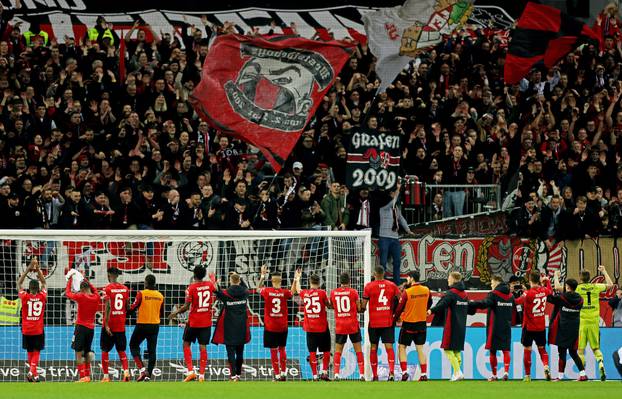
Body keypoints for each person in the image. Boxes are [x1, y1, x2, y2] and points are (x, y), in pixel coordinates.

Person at [168, 265, 217, 382]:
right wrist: (213, 279)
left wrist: (175, 313)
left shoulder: (191, 288)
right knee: (203, 347)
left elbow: (185, 307)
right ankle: (202, 375)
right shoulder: (209, 285)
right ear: (204, 274)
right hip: (206, 322)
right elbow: (216, 289)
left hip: (194, 322)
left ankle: (190, 371)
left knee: (186, 344)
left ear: (194, 274)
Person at [469, 275, 514, 381]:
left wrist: (472, 303)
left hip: (494, 327)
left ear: (497, 282)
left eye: (492, 282)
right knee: (505, 350)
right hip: (506, 326)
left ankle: (494, 375)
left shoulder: (493, 294)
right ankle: (506, 372)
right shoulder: (511, 296)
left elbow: (484, 304)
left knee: (493, 351)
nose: (491, 284)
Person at [428, 271, 469, 381]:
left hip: (451, 325)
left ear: (454, 280)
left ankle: (458, 372)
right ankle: (456, 373)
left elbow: (442, 304)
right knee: (457, 350)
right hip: (462, 325)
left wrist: (431, 311)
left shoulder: (451, 293)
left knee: (447, 349)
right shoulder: (465, 294)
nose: (448, 280)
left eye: (449, 278)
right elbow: (468, 308)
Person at [576, 265, 614, 381]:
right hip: (594, 321)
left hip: (582, 321)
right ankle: (601, 364)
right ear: (589, 278)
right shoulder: (596, 287)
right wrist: (604, 271)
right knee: (596, 348)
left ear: (580, 278)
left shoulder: (577, 288)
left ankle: (582, 374)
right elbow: (611, 285)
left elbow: (559, 289)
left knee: (581, 350)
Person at [291, 269, 331, 381]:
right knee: (326, 350)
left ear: (310, 282)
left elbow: (298, 290)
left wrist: (297, 278)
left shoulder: (305, 293)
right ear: (319, 283)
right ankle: (324, 373)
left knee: (312, 352)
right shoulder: (322, 293)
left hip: (310, 328)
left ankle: (314, 376)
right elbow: (328, 305)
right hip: (322, 327)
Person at [361, 266, 400, 381]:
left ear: (374, 274)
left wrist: (360, 307)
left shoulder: (369, 286)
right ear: (383, 274)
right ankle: (391, 373)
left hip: (374, 323)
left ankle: (375, 376)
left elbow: (363, 305)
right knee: (389, 347)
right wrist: (396, 314)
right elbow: (401, 299)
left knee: (373, 348)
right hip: (387, 322)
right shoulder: (392, 285)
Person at [212, 272, 250, 381]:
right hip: (242, 327)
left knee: (230, 352)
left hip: (229, 327)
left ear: (230, 281)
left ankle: (233, 375)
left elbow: (216, 291)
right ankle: (238, 374)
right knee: (240, 352)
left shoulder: (226, 293)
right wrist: (240, 278)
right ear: (239, 281)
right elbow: (246, 287)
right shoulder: (245, 292)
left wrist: (214, 282)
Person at [515, 271, 552, 382]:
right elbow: (550, 291)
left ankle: (527, 376)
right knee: (542, 349)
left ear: (530, 280)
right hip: (541, 326)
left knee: (527, 350)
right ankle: (546, 366)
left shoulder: (528, 293)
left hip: (529, 326)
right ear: (539, 280)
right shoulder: (544, 290)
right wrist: (548, 282)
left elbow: (517, 302)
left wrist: (515, 293)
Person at [393, 270, 431, 381]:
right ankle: (423, 374)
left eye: (408, 278)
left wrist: (394, 319)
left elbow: (399, 308)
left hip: (408, 324)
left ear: (412, 278)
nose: (407, 280)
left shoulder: (407, 292)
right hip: (421, 323)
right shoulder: (426, 290)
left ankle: (404, 373)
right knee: (420, 349)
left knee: (402, 347)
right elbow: (430, 303)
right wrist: (422, 309)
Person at [548, 271, 586, 381]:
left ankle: (560, 376)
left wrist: (553, 279)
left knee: (562, 352)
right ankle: (583, 374)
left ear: (567, 286)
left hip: (563, 328)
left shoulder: (562, 298)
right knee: (573, 352)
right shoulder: (581, 300)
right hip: (574, 328)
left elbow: (550, 297)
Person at [257, 265, 292, 381]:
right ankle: (283, 373)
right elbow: (293, 292)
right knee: (282, 349)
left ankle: (276, 375)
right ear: (281, 280)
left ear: (271, 280)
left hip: (270, 327)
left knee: (273, 350)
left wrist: (262, 276)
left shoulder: (267, 291)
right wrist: (296, 279)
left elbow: (258, 289)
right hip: (282, 326)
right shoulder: (284, 292)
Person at [65, 270, 100, 383]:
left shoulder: (81, 297)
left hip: (80, 327)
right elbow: (94, 290)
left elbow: (68, 293)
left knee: (78, 353)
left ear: (83, 289)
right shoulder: (96, 297)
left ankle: (82, 376)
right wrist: (87, 281)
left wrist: (70, 279)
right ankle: (88, 376)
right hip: (91, 329)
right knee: (87, 352)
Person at [330, 272, 365, 381]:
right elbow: (359, 308)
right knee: (358, 350)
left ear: (340, 281)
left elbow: (332, 306)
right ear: (349, 281)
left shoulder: (333, 292)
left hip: (340, 325)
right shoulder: (353, 292)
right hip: (352, 324)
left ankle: (336, 374)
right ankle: (362, 375)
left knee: (338, 351)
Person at [377, 179, 413, 284]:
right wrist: (398, 189)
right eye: (392, 193)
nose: (394, 195)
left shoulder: (396, 208)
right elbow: (392, 202)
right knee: (383, 262)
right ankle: (381, 282)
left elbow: (401, 219)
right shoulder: (383, 208)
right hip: (384, 237)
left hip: (395, 238)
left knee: (397, 262)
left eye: (394, 193)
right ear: (390, 195)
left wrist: (408, 230)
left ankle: (397, 283)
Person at [129, 274, 164, 382]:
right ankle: (149, 376)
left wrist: (127, 308)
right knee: (152, 351)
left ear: (146, 283)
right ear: (154, 283)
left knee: (133, 345)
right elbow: (161, 313)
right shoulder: (160, 296)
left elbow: (132, 308)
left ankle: (143, 370)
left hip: (143, 324)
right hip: (154, 325)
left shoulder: (141, 294)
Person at [17, 258, 46, 383]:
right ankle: (31, 371)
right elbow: (44, 283)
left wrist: (29, 268)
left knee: (29, 351)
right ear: (38, 288)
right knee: (37, 350)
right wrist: (38, 268)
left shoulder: (24, 296)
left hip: (26, 330)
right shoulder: (42, 296)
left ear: (29, 288)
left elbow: (18, 284)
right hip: (38, 330)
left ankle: (34, 375)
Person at [100, 267, 130, 382]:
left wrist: (106, 324)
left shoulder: (107, 289)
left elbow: (108, 306)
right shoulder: (125, 289)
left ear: (109, 275)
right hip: (120, 325)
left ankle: (106, 376)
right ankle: (126, 372)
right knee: (121, 350)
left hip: (109, 325)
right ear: (117, 276)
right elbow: (127, 307)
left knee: (105, 350)